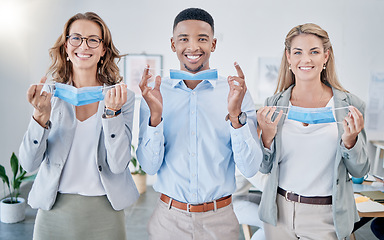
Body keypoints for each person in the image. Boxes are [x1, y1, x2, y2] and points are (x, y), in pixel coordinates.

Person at [137, 8, 262, 240]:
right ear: (173, 44)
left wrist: (236, 117)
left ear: (213, 44)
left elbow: (250, 167)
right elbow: (149, 167)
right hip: (167, 221)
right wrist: (156, 117)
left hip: (220, 221)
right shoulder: (155, 93)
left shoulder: (236, 92)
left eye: (202, 39)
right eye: (183, 39)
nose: (193, 47)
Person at [19, 12, 139, 240]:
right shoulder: (48, 97)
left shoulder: (123, 98)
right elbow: (28, 164)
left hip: (106, 213)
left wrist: (113, 114)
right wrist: (40, 117)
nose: (84, 45)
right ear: (66, 46)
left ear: (103, 49)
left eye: (93, 39)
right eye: (76, 38)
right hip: (53, 210)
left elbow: (119, 164)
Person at [256, 23, 369, 240]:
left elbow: (360, 170)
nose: (305, 59)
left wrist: (350, 141)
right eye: (298, 52)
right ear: (288, 57)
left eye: (314, 52)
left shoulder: (350, 105)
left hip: (327, 214)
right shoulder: (273, 105)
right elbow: (263, 166)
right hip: (279, 213)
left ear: (325, 56)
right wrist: (267, 137)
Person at [233, 168, 266, 240]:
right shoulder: (243, 164)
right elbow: (264, 185)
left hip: (243, 196)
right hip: (232, 203)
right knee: (267, 225)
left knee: (272, 203)